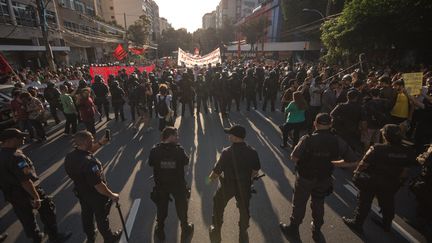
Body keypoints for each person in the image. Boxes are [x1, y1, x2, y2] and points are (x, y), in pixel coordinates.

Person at [280, 113, 358, 242]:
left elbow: (294, 157)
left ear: (315, 124)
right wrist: (334, 163)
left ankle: (293, 228)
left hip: (305, 177)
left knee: (299, 203)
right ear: (331, 124)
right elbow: (353, 161)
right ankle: (316, 229)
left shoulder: (307, 139)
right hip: (324, 177)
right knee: (318, 202)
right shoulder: (337, 140)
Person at [0, 128, 72, 243]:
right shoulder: (16, 157)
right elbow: (26, 181)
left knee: (26, 219)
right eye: (19, 138)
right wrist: (36, 197)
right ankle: (54, 236)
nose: (23, 139)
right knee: (48, 210)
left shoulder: (3, 154)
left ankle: (36, 238)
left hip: (12, 194)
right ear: (9, 140)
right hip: (28, 192)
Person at [342, 124, 416, 234]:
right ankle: (387, 224)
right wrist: (399, 182)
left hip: (372, 180)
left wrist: (357, 172)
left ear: (385, 136)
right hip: (391, 181)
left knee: (364, 201)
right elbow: (405, 170)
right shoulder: (407, 151)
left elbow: (363, 163)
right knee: (388, 202)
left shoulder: (377, 148)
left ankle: (358, 223)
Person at [64, 131, 122, 243]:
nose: (93, 140)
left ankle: (90, 236)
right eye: (91, 139)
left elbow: (87, 153)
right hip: (96, 195)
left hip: (81, 192)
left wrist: (101, 143)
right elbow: (99, 186)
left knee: (86, 214)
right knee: (101, 217)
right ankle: (109, 238)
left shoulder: (70, 156)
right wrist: (112, 195)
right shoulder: (90, 164)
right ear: (86, 141)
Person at [208, 125, 261, 243]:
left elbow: (216, 172)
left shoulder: (227, 152)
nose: (228, 136)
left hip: (228, 186)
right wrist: (249, 178)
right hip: (244, 186)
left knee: (218, 205)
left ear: (236, 138)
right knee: (244, 209)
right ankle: (243, 232)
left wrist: (208, 180)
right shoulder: (252, 151)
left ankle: (216, 231)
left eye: (230, 134)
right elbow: (255, 171)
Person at [148, 127, 194, 241]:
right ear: (170, 136)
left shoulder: (154, 151)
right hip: (178, 185)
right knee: (182, 208)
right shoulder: (179, 150)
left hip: (161, 185)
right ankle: (185, 229)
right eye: (176, 135)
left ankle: (160, 231)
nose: (178, 138)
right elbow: (186, 161)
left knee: (161, 209)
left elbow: (151, 163)